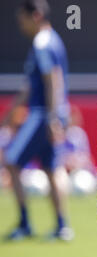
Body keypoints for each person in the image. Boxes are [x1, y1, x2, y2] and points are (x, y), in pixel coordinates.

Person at [1, 0, 73, 241]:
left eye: (23, 19)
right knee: (51, 169)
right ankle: (62, 226)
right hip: (50, 113)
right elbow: (36, 83)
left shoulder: (42, 43)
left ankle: (24, 224)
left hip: (42, 114)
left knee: (11, 161)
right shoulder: (52, 39)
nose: (21, 25)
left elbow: (52, 79)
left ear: (36, 16)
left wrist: (52, 117)